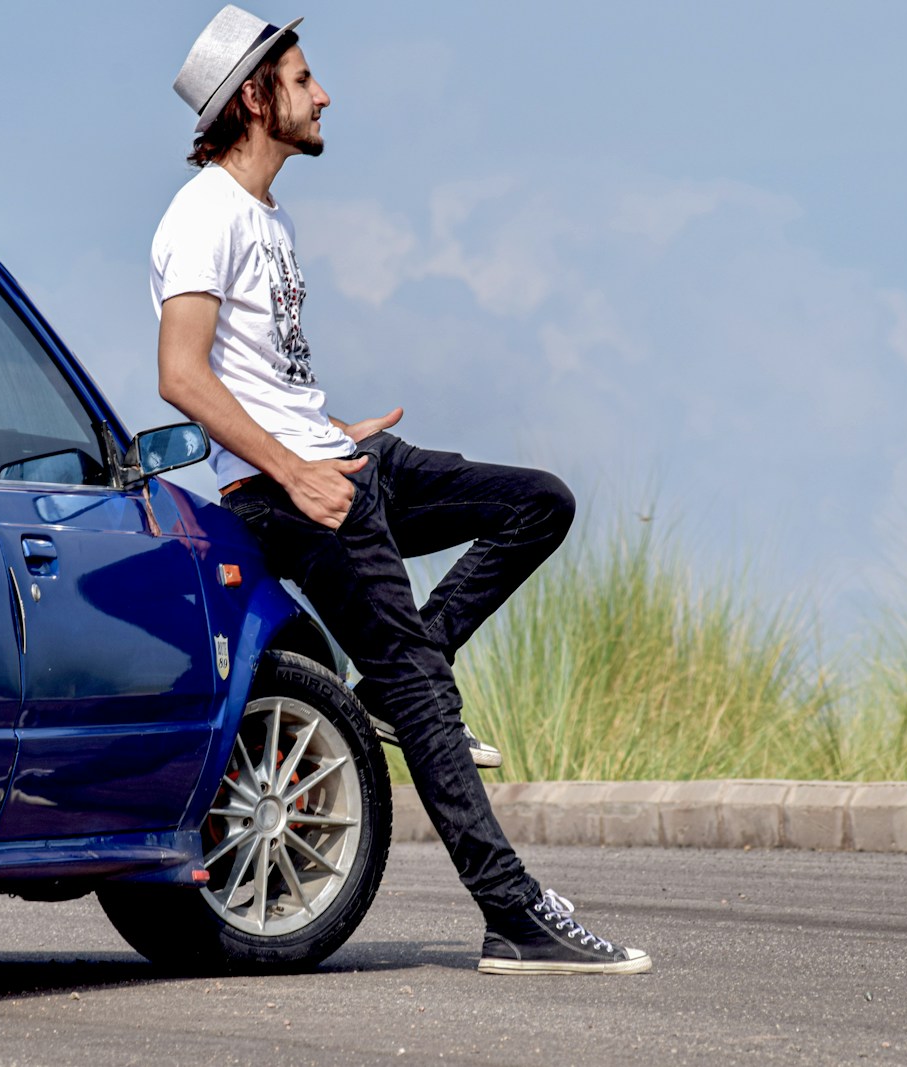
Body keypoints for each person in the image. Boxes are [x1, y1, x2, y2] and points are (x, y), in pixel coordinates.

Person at [152, 5, 651, 976]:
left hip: (337, 461)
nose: (323, 91)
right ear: (254, 97)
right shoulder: (203, 214)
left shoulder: (266, 215)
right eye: (301, 78)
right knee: (427, 698)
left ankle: (398, 668)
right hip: (292, 491)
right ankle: (512, 912)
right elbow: (182, 373)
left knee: (536, 502)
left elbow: (257, 371)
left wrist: (328, 433)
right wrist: (295, 465)